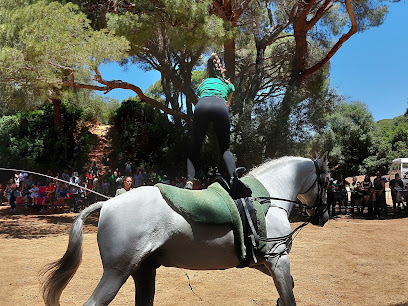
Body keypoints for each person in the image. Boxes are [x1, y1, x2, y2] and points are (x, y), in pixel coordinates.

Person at [185, 53, 251, 199]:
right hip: (220, 106)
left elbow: (202, 95)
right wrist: (226, 85)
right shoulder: (229, 85)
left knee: (195, 148)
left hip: (202, 105)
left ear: (208, 70)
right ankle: (234, 179)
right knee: (225, 149)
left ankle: (189, 181)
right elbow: (228, 103)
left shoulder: (202, 83)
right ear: (221, 68)